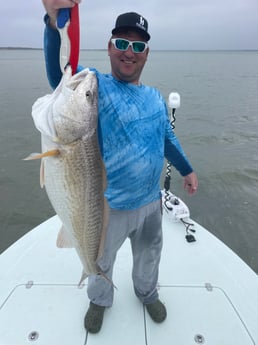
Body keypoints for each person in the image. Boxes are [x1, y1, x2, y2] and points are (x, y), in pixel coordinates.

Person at [41, 0, 198, 334]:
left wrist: (187, 169)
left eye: (138, 45)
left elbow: (167, 139)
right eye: (123, 43)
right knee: (101, 258)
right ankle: (99, 298)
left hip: (149, 203)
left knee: (149, 255)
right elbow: (60, 72)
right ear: (110, 48)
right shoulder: (96, 85)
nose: (130, 52)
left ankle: (146, 291)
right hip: (108, 205)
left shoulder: (155, 98)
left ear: (147, 53)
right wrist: (54, 23)